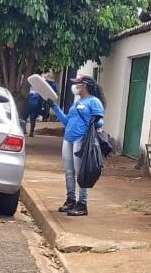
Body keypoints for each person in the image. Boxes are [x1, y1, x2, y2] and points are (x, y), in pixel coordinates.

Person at [45, 74, 105, 217]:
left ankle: (82, 203)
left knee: (81, 172)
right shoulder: (76, 103)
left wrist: (94, 121)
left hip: (81, 140)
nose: (75, 86)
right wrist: (55, 107)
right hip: (68, 138)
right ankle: (70, 200)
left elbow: (99, 122)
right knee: (69, 171)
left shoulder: (94, 101)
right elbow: (66, 121)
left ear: (84, 85)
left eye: (77, 83)